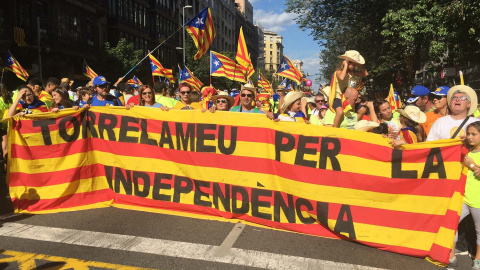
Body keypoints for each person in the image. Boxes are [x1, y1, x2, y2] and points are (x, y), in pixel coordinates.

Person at [450, 121, 480, 269]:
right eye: (468, 133)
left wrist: (473, 165)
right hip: (462, 197)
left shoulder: (469, 155)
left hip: (478, 201)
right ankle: (450, 258)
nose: (469, 137)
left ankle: (477, 261)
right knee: (450, 224)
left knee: (479, 232)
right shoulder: (466, 151)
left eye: (473, 134)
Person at [330, 50, 368, 128]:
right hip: (338, 96)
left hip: (349, 97)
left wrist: (359, 64)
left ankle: (354, 125)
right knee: (340, 112)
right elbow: (341, 77)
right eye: (353, 64)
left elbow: (365, 74)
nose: (354, 66)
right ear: (346, 62)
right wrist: (345, 65)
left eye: (355, 64)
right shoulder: (338, 71)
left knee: (363, 109)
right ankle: (335, 129)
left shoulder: (352, 72)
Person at [0, 83, 12, 168]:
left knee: (4, 149)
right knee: (7, 149)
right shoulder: (10, 100)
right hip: (9, 126)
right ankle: (6, 169)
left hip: (2, 126)